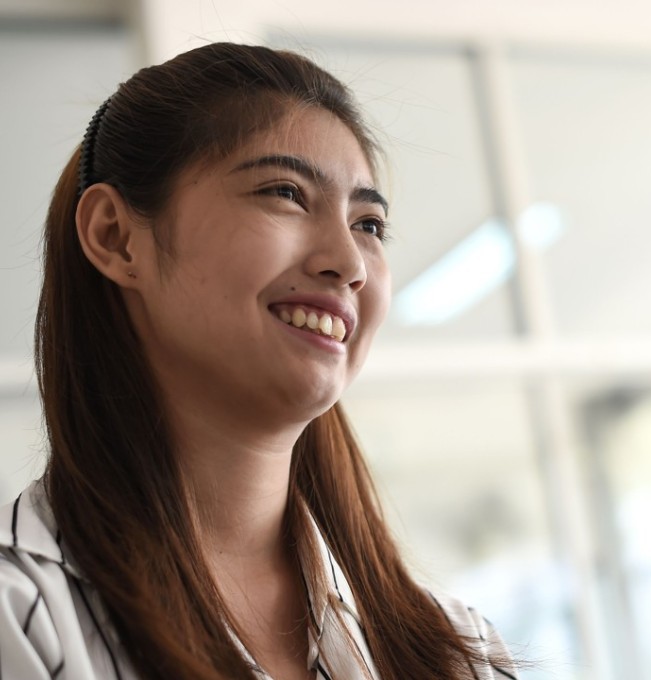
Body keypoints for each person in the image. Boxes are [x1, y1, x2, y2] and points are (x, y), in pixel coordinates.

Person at [0, 42, 516, 680]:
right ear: (115, 235)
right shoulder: (18, 613)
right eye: (286, 193)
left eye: (369, 225)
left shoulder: (459, 649)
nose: (350, 264)